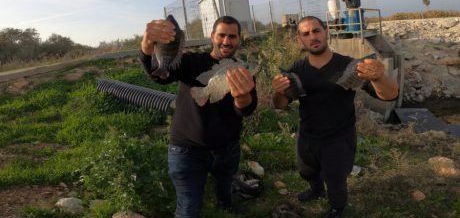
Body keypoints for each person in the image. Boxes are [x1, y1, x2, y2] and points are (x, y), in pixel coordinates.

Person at [271, 16, 398, 218]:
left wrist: (379, 77)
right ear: (300, 40)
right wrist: (278, 92)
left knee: (335, 179)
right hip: (308, 135)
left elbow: (390, 95)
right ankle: (316, 189)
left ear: (326, 32)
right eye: (306, 34)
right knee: (307, 171)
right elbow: (280, 105)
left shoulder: (350, 66)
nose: (312, 36)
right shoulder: (296, 70)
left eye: (316, 30)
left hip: (339, 137)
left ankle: (337, 208)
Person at [140, 15, 257, 218]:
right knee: (188, 209)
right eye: (221, 35)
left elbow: (246, 109)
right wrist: (147, 47)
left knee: (225, 185)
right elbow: (158, 74)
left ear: (239, 39)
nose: (227, 41)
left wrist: (242, 97)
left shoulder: (242, 69)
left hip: (227, 148)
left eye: (232, 36)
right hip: (187, 150)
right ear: (212, 36)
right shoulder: (191, 62)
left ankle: (225, 203)